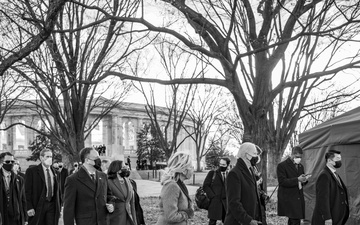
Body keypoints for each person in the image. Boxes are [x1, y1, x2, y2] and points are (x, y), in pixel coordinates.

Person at [63, 147, 114, 225]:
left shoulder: (103, 176)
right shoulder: (73, 179)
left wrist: (111, 204)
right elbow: (68, 209)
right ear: (87, 160)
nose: (99, 160)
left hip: (103, 221)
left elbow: (109, 196)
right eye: (96, 158)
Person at [224, 142, 264, 225]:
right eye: (254, 154)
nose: (256, 157)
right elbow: (234, 203)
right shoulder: (234, 174)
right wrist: (248, 220)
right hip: (239, 222)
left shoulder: (250, 170)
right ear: (246, 155)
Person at [312, 150, 349, 225]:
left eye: (340, 158)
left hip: (336, 216)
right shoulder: (324, 175)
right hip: (328, 219)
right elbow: (322, 199)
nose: (340, 160)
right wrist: (327, 217)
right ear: (329, 160)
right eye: (337, 158)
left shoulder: (334, 174)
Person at [25, 149, 61, 225]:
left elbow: (58, 191)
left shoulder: (56, 172)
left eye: (51, 156)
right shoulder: (32, 171)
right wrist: (29, 207)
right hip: (38, 205)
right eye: (47, 156)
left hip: (52, 205)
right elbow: (27, 191)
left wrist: (59, 208)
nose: (50, 158)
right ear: (41, 158)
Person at [156, 152, 194, 225]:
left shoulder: (180, 184)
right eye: (191, 166)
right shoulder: (172, 186)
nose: (193, 169)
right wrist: (186, 214)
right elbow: (171, 216)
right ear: (183, 170)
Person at [277, 146, 309, 225]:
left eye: (300, 157)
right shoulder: (282, 166)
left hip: (298, 197)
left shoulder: (301, 166)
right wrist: (298, 179)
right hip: (289, 198)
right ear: (292, 154)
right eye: (297, 157)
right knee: (294, 220)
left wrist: (304, 180)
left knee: (295, 220)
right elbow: (282, 182)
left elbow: (301, 180)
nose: (299, 159)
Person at [107, 160, 137, 225]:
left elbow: (132, 203)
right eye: (123, 167)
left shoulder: (127, 181)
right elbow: (107, 199)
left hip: (129, 217)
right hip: (116, 219)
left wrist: (134, 220)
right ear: (118, 170)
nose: (126, 168)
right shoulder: (108, 182)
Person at [0, 152, 27, 225]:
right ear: (2, 162)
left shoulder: (19, 179)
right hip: (2, 216)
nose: (11, 163)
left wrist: (25, 218)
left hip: (15, 216)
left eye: (12, 161)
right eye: (7, 161)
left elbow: (23, 199)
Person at [203, 157, 230, 225]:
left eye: (223, 165)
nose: (221, 166)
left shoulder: (230, 174)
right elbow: (205, 186)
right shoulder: (212, 173)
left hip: (226, 203)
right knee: (212, 222)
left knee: (227, 221)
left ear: (227, 165)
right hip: (215, 202)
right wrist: (212, 196)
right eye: (220, 164)